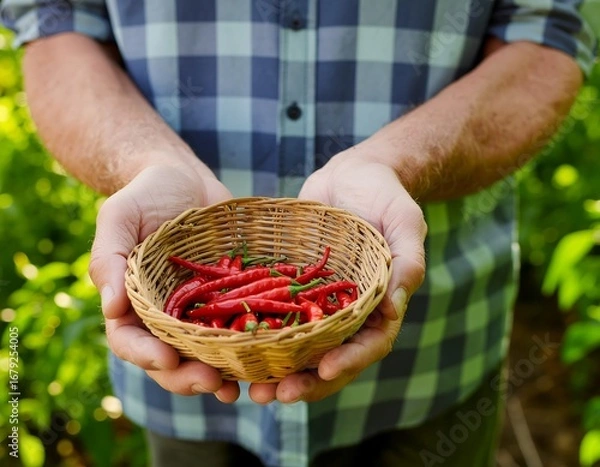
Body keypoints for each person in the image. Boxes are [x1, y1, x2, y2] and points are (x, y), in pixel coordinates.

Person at [2, 1, 597, 466]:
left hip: (437, 350)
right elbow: (55, 27)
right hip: (186, 386)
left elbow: (547, 34)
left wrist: (397, 162)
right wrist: (146, 165)